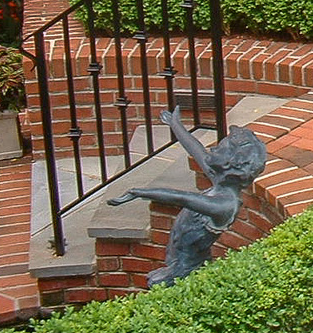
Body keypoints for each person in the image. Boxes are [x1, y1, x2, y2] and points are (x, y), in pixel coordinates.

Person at [107, 105, 268, 287]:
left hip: (186, 268)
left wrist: (138, 192)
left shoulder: (224, 205)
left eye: (219, 149)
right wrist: (176, 125)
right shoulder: (221, 182)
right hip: (179, 260)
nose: (213, 150)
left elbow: (180, 198)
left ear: (231, 165)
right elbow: (196, 149)